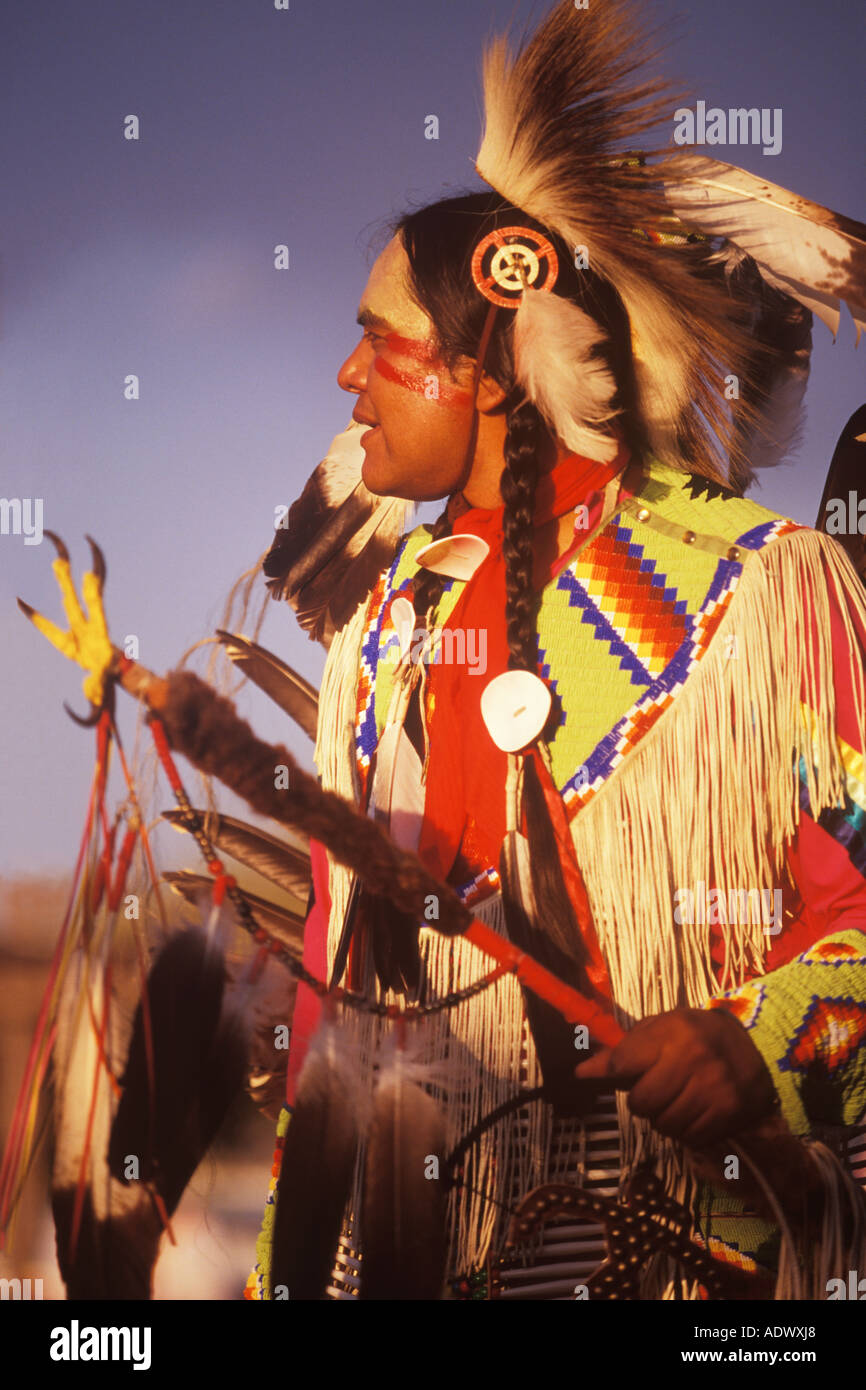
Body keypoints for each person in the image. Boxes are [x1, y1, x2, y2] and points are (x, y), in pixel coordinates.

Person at [20, 0, 866, 1300]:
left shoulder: (761, 595)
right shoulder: (386, 628)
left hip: (713, 1261)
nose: (348, 377)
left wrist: (752, 1041)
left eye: (381, 339)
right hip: (437, 1239)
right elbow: (357, 990)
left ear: (488, 368)